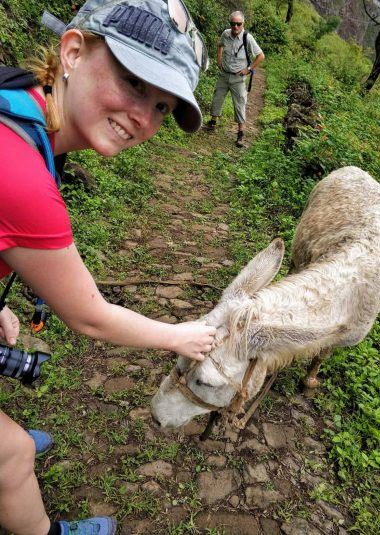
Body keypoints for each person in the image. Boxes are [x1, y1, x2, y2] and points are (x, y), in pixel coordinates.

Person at [0, 1, 215, 534]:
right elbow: (90, 316)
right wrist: (179, 337)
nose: (145, 118)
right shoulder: (19, 173)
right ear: (73, 50)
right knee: (11, 458)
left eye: (163, 107)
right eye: (135, 83)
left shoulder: (20, 99)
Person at [204, 11, 264, 147]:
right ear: (230, 23)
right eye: (233, 24)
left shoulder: (247, 38)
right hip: (224, 74)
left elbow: (260, 56)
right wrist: (219, 60)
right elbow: (220, 45)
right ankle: (212, 122)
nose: (236, 27)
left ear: (243, 24)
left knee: (240, 104)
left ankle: (240, 134)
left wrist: (248, 69)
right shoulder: (226, 34)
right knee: (217, 97)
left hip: (238, 77)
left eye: (239, 24)